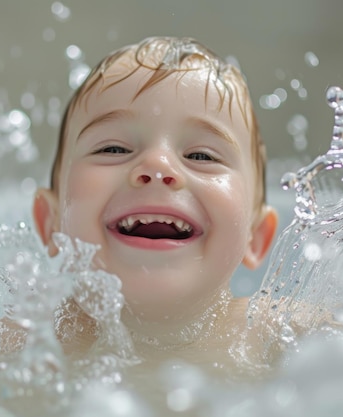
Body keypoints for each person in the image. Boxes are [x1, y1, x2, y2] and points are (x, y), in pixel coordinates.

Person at [31, 36, 278, 370]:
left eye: (200, 155)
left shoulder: (282, 337)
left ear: (257, 237)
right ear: (51, 222)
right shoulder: (24, 345)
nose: (158, 166)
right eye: (113, 149)